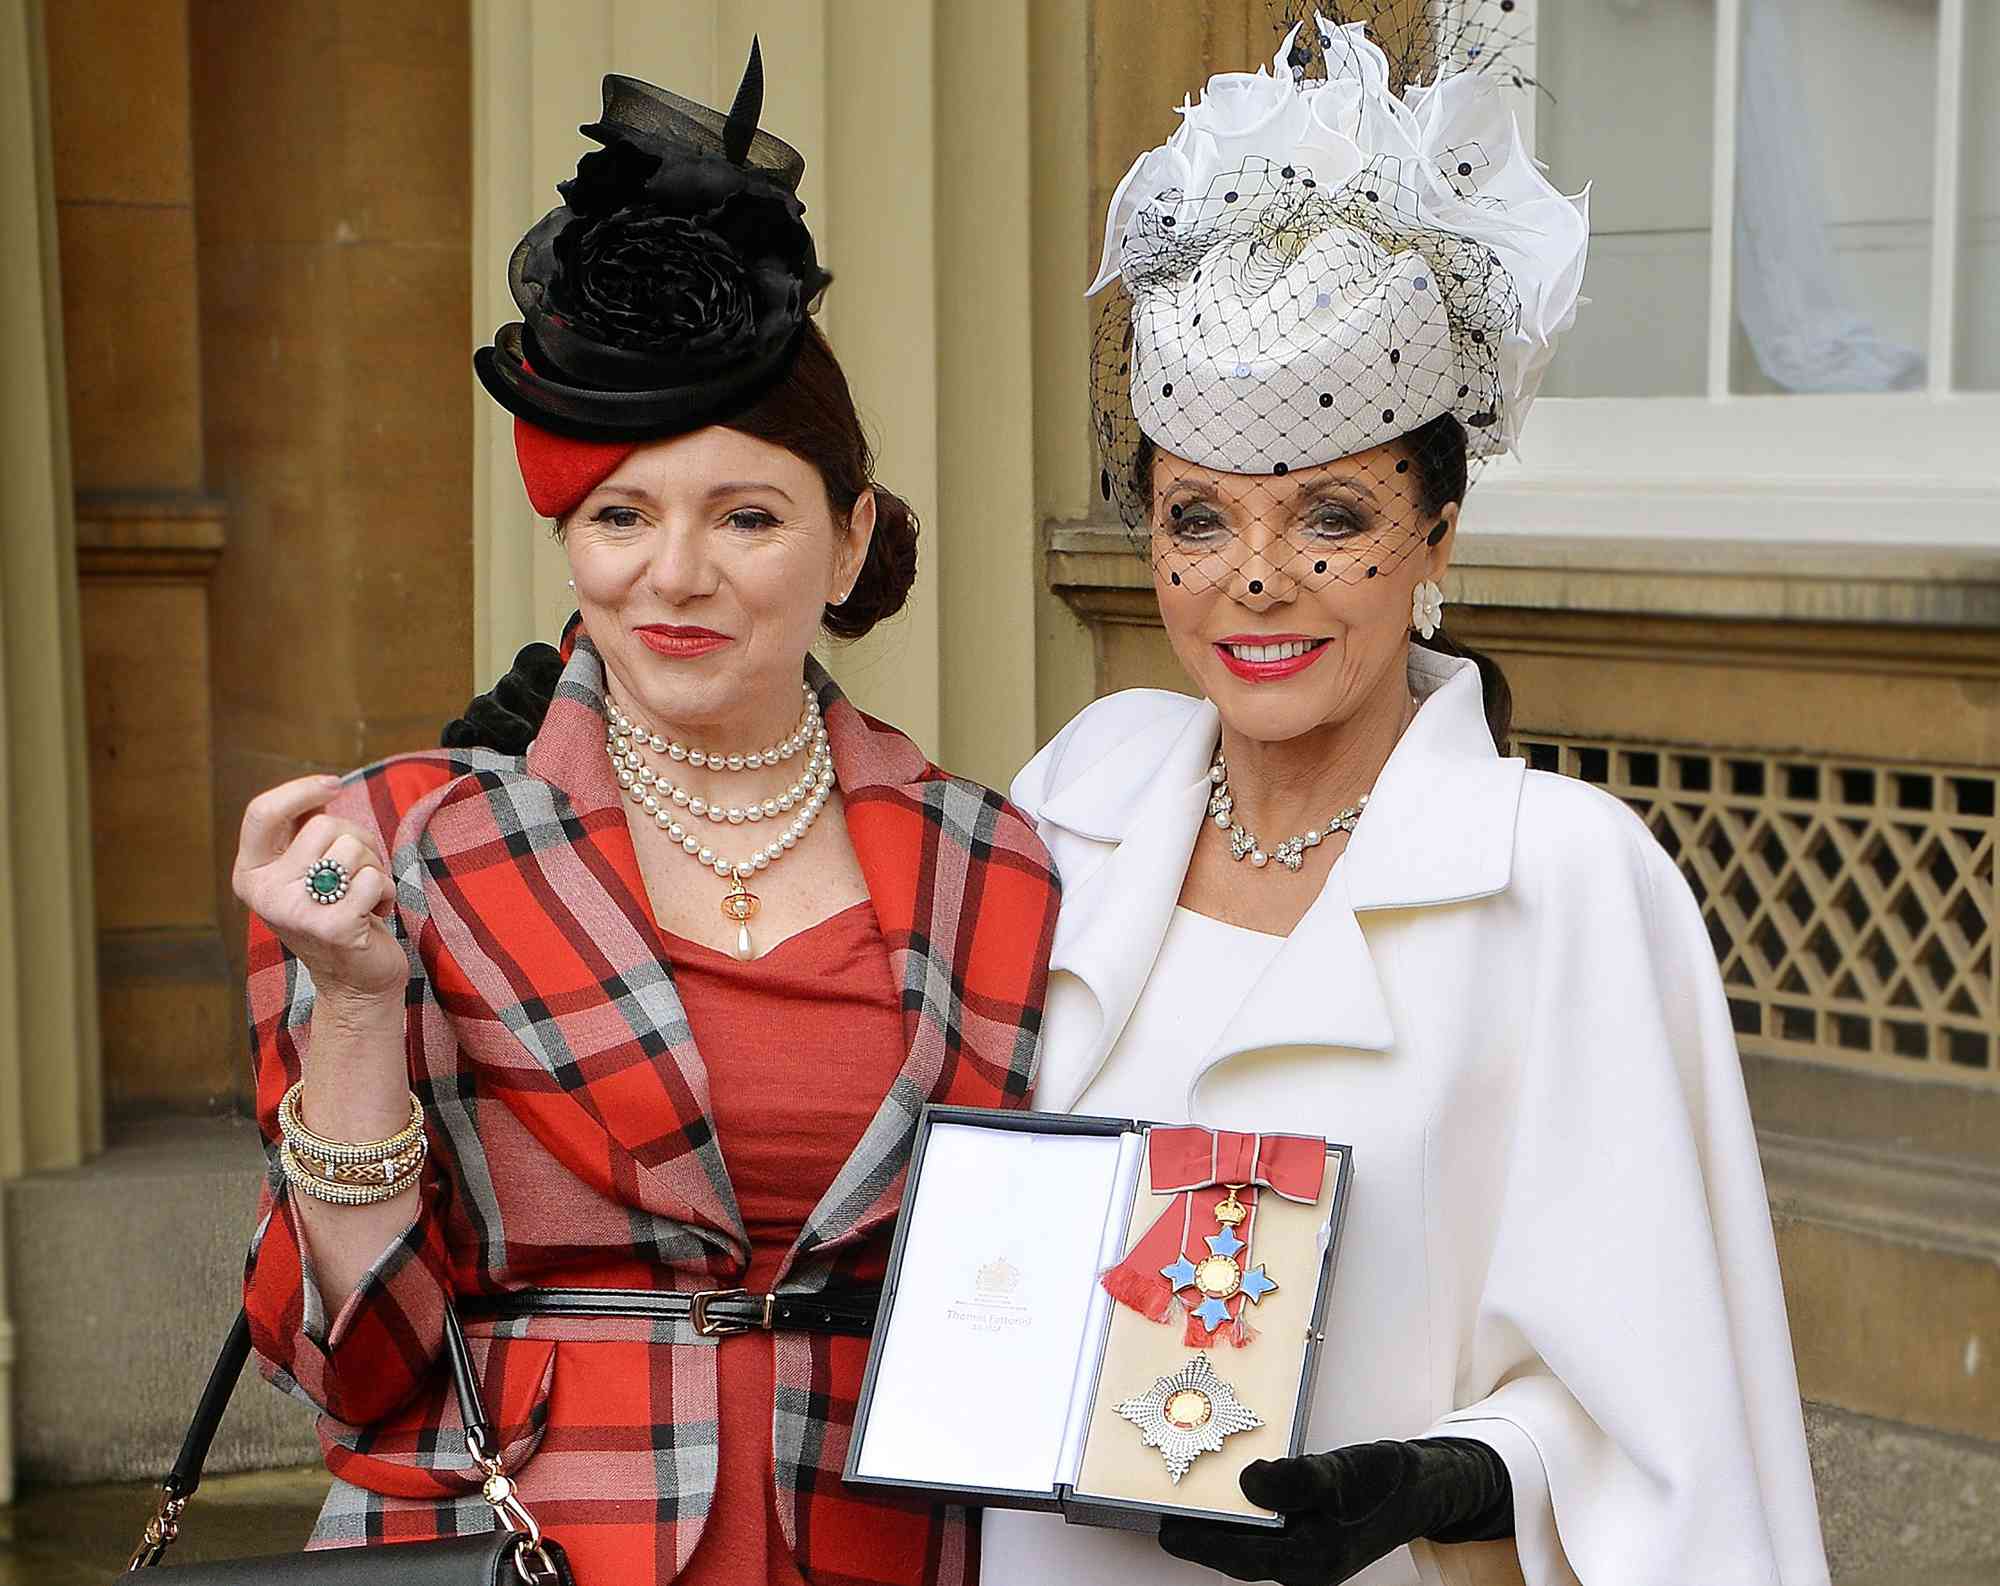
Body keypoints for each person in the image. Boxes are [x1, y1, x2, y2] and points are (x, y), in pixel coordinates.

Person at [454, 12, 1831, 1584]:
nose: (1258, 576)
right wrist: (613, 739)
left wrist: (1437, 1478)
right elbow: (822, 989)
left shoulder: (1560, 876)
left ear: (1441, 535)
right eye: (1200, 516)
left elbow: (1659, 1398)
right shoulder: (1083, 798)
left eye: (1332, 515)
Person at [233, 44, 1058, 1586]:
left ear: (847, 535)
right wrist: (353, 1002)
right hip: (523, 1549)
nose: (674, 574)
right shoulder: (400, 846)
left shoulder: (993, 861)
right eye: (622, 514)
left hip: (887, 1552)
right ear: (569, 538)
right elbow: (345, 1357)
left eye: (747, 515)